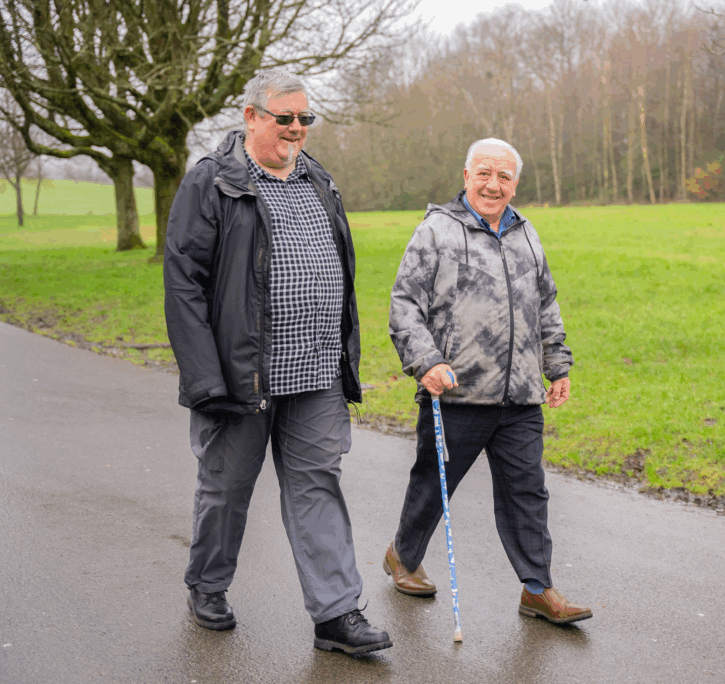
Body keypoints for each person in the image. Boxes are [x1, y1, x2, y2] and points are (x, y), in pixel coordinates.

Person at [163, 69, 391, 655]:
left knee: (318, 486)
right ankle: (208, 584)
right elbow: (184, 283)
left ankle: (337, 615)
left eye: (304, 119)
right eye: (283, 117)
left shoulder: (320, 180)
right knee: (226, 489)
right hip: (243, 375)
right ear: (250, 116)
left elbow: (338, 270)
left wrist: (344, 357)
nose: (295, 128)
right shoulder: (213, 182)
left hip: (315, 374)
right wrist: (205, 378)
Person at [383, 138, 592, 625]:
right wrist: (426, 360)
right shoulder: (436, 231)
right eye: (484, 173)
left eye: (503, 176)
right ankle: (404, 556)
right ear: (466, 175)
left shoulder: (526, 232)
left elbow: (547, 302)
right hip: (456, 391)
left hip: (519, 395)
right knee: (434, 485)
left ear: (515, 183)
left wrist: (556, 364)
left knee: (528, 492)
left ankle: (537, 588)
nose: (493, 184)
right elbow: (404, 305)